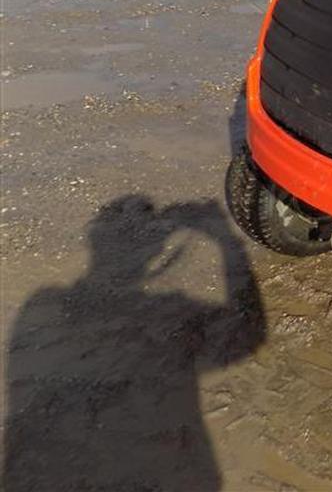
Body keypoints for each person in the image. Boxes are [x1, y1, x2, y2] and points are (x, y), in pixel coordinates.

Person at [3, 195, 265, 490]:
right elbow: (249, 336)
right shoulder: (171, 309)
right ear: (155, 251)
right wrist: (226, 240)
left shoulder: (43, 302)